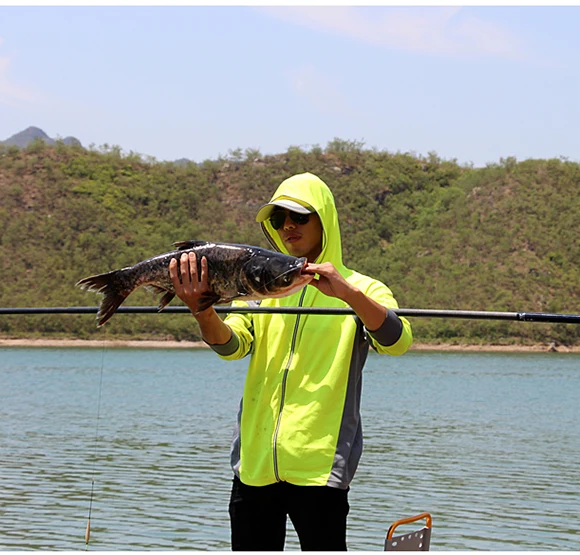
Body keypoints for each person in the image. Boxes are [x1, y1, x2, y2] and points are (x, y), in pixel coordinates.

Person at [169, 172, 413, 551]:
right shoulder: (259, 287)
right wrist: (202, 310)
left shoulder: (364, 288)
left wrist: (347, 294)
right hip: (254, 466)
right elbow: (231, 345)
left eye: (300, 217)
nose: (287, 226)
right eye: (280, 217)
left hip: (319, 470)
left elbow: (397, 340)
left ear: (324, 220)